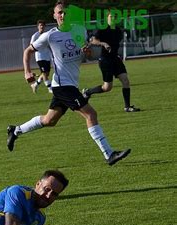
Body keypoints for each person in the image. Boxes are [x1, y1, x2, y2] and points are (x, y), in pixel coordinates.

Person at [7, 1, 131, 166]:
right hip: (62, 85)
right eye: (60, 12)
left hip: (71, 84)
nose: (63, 15)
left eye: (65, 12)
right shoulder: (49, 36)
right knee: (91, 114)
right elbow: (27, 51)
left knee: (49, 120)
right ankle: (109, 154)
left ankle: (15, 130)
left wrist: (87, 52)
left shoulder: (79, 30)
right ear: (55, 15)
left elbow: (87, 54)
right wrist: (27, 72)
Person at [82, 12, 141, 112]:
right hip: (105, 60)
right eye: (111, 16)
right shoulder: (102, 28)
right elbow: (93, 40)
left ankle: (127, 107)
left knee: (125, 80)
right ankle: (88, 92)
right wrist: (103, 43)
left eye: (115, 17)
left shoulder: (118, 30)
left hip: (115, 58)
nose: (113, 18)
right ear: (107, 18)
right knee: (107, 87)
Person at [29, 20, 53, 94]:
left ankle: (35, 84)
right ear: (37, 26)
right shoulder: (35, 36)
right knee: (44, 73)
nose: (41, 27)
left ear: (45, 26)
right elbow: (31, 46)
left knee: (46, 73)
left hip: (47, 56)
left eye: (43, 25)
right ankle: (50, 88)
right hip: (39, 57)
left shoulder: (46, 35)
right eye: (40, 25)